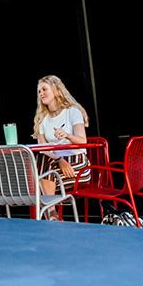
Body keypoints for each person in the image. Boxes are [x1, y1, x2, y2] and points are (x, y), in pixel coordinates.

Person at [33, 75, 89, 205]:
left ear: (56, 90)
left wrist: (67, 135)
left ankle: (51, 215)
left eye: (44, 89)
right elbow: (42, 149)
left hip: (77, 164)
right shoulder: (42, 118)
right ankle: (52, 214)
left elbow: (83, 141)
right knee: (42, 162)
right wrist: (59, 160)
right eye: (39, 91)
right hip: (54, 162)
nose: (41, 93)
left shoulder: (72, 111)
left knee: (37, 180)